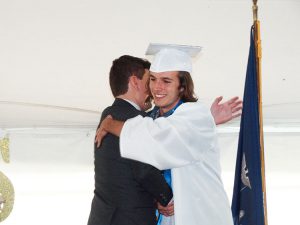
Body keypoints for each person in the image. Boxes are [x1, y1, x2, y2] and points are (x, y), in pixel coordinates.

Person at [95, 45, 242, 225]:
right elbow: (157, 138)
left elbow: (155, 140)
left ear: (182, 86)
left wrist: (110, 124)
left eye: (166, 81)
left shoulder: (196, 114)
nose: (157, 87)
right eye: (153, 79)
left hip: (199, 216)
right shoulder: (154, 118)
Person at [87, 55, 174, 225]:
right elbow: (145, 170)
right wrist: (167, 198)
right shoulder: (134, 119)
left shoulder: (110, 115)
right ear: (135, 82)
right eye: (150, 80)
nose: (153, 88)